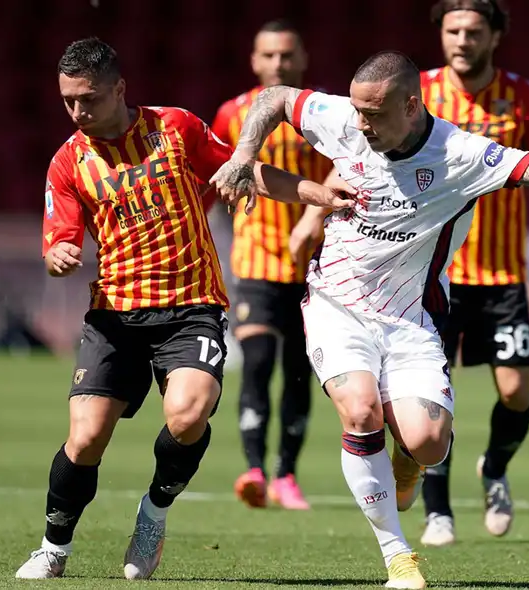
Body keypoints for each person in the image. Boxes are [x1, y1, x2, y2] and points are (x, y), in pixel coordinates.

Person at [210, 50, 529, 589]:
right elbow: (274, 99)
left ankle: (408, 465)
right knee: (361, 410)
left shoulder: (460, 155)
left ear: (412, 106)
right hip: (335, 305)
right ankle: (398, 557)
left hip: (410, 318)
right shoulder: (347, 117)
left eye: (373, 114)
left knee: (430, 441)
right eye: (358, 111)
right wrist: (243, 154)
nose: (360, 124)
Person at [15, 37, 352, 581]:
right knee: (85, 439)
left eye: (90, 99)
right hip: (115, 316)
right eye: (69, 100)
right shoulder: (67, 162)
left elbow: (247, 173)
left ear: (120, 89)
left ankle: (154, 513)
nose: (78, 111)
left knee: (189, 414)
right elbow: (60, 235)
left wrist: (314, 193)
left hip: (191, 306)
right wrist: (58, 254)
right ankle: (54, 547)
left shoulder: (176, 128)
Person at [416, 0, 529, 545]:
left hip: (502, 275)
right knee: (432, 396)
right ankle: (438, 512)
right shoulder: (417, 93)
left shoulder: (523, 96)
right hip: (436, 275)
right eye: (452, 30)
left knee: (516, 394)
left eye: (473, 31)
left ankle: (495, 468)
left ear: (494, 37)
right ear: (441, 35)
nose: (461, 40)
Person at [211, 19, 333, 511]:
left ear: (302, 59)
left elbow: (344, 172)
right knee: (257, 364)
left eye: (287, 55)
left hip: (313, 263)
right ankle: (255, 470)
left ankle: (288, 474)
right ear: (254, 61)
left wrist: (314, 215)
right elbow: (212, 175)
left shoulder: (322, 113)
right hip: (255, 261)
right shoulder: (231, 114)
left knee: (299, 371)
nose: (278, 64)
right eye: (269, 55)